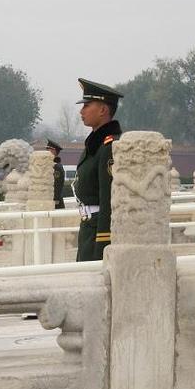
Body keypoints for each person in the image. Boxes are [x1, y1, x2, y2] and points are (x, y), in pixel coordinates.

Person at [73, 78, 123, 261]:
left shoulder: (109, 146)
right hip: (87, 229)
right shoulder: (95, 144)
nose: (82, 111)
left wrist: (103, 243)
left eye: (87, 105)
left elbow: (108, 199)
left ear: (103, 110)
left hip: (97, 233)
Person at [46, 139, 65, 209]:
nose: (47, 151)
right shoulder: (49, 165)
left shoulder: (57, 167)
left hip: (55, 202)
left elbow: (57, 185)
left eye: (49, 149)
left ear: (54, 151)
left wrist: (55, 200)